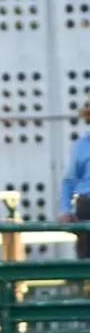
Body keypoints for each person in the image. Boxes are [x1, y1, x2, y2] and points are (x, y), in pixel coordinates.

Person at [59, 95, 90, 259]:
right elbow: (69, 181)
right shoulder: (82, 145)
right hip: (87, 208)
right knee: (86, 262)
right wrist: (65, 210)